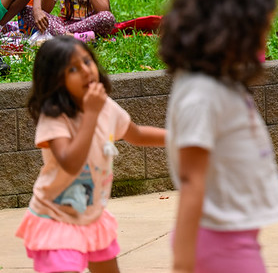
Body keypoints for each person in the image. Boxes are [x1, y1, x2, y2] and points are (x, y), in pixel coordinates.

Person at [159, 0, 278, 273]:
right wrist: (182, 265)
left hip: (233, 238)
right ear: (232, 29)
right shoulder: (200, 93)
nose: (265, 42)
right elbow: (191, 181)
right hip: (218, 244)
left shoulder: (219, 84)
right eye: (261, 31)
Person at [15, 36, 166, 273]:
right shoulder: (55, 117)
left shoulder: (104, 106)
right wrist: (91, 114)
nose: (86, 71)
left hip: (92, 216)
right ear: (55, 80)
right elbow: (70, 163)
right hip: (56, 218)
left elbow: (135, 134)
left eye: (87, 61)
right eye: (73, 69)